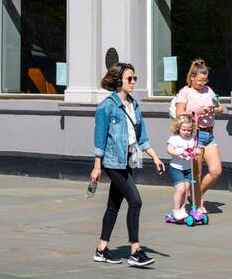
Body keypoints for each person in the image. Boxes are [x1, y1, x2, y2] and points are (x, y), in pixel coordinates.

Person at [91, 62, 164, 267]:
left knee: (113, 206)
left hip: (128, 160)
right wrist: (97, 166)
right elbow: (99, 139)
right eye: (129, 79)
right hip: (113, 162)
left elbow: (141, 137)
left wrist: (156, 157)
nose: (133, 82)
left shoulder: (134, 104)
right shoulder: (107, 106)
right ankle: (135, 251)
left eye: (135, 78)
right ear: (118, 81)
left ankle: (102, 249)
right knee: (135, 201)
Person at [173, 59, 225, 207]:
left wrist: (212, 109)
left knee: (216, 170)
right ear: (192, 78)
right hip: (196, 134)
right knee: (197, 173)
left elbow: (221, 107)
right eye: (200, 80)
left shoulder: (209, 90)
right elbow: (179, 114)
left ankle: (195, 195)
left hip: (209, 134)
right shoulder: (185, 92)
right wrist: (196, 112)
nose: (202, 83)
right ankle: (198, 204)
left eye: (205, 80)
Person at [165, 115, 197, 222]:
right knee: (180, 190)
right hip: (176, 168)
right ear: (178, 128)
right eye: (184, 129)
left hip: (188, 168)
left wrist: (197, 151)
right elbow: (169, 150)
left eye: (189, 130)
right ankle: (176, 210)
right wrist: (177, 152)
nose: (186, 132)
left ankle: (183, 209)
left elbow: (195, 149)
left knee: (186, 190)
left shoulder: (192, 139)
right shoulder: (174, 139)